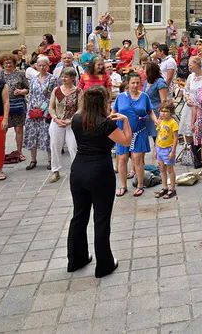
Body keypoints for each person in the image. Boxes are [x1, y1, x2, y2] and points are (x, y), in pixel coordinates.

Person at [68, 85, 131, 278]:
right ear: (104, 102)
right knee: (101, 218)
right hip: (100, 171)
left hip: (78, 169)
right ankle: (104, 264)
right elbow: (126, 141)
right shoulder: (105, 123)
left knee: (79, 215)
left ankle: (76, 259)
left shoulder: (77, 119)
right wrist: (125, 121)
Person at [112, 72, 158, 197]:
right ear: (128, 83)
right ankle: (123, 186)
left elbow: (150, 111)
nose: (135, 85)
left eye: (138, 83)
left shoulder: (144, 97)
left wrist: (155, 120)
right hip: (122, 132)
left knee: (138, 159)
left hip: (139, 132)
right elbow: (113, 112)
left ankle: (139, 185)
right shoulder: (120, 97)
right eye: (133, 83)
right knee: (122, 159)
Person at [47, 68, 82, 183]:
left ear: (73, 78)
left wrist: (71, 120)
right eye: (62, 76)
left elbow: (81, 108)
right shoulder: (56, 90)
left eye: (66, 77)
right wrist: (56, 119)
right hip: (58, 121)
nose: (63, 79)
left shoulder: (78, 91)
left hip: (72, 122)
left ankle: (77, 171)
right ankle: (55, 171)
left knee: (73, 147)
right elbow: (51, 107)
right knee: (55, 146)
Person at [24, 56, 57, 171]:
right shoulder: (33, 79)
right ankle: (33, 160)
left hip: (46, 111)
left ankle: (49, 160)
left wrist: (49, 107)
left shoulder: (52, 78)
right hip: (33, 110)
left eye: (44, 65)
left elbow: (54, 95)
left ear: (48, 66)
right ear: (36, 66)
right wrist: (28, 109)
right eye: (40, 65)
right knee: (31, 135)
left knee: (47, 135)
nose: (42, 67)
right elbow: (31, 94)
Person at [0, 53, 29, 161]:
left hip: (18, 105)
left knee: (19, 129)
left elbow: (27, 88)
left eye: (10, 63)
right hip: (3, 107)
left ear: (14, 63)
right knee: (3, 130)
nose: (8, 65)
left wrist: (21, 91)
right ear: (2, 64)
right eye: (5, 63)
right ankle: (0, 153)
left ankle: (19, 152)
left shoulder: (20, 74)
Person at [179, 56, 202, 162]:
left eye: (190, 64)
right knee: (188, 130)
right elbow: (186, 89)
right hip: (190, 106)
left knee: (199, 130)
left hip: (200, 106)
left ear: (197, 64)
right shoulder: (190, 76)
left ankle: (201, 153)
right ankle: (191, 151)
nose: (189, 66)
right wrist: (187, 98)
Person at [153, 101, 178, 199]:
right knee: (162, 169)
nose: (163, 113)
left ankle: (173, 188)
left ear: (171, 112)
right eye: (161, 111)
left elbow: (175, 138)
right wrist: (155, 150)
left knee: (170, 169)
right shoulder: (161, 122)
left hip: (168, 148)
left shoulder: (173, 123)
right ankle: (164, 187)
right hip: (160, 147)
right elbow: (158, 135)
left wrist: (173, 151)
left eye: (166, 111)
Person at [143, 62, 169, 146]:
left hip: (156, 112)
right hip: (147, 113)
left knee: (157, 137)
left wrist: (161, 117)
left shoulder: (160, 83)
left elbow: (163, 101)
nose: (143, 71)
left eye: (145, 69)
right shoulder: (146, 82)